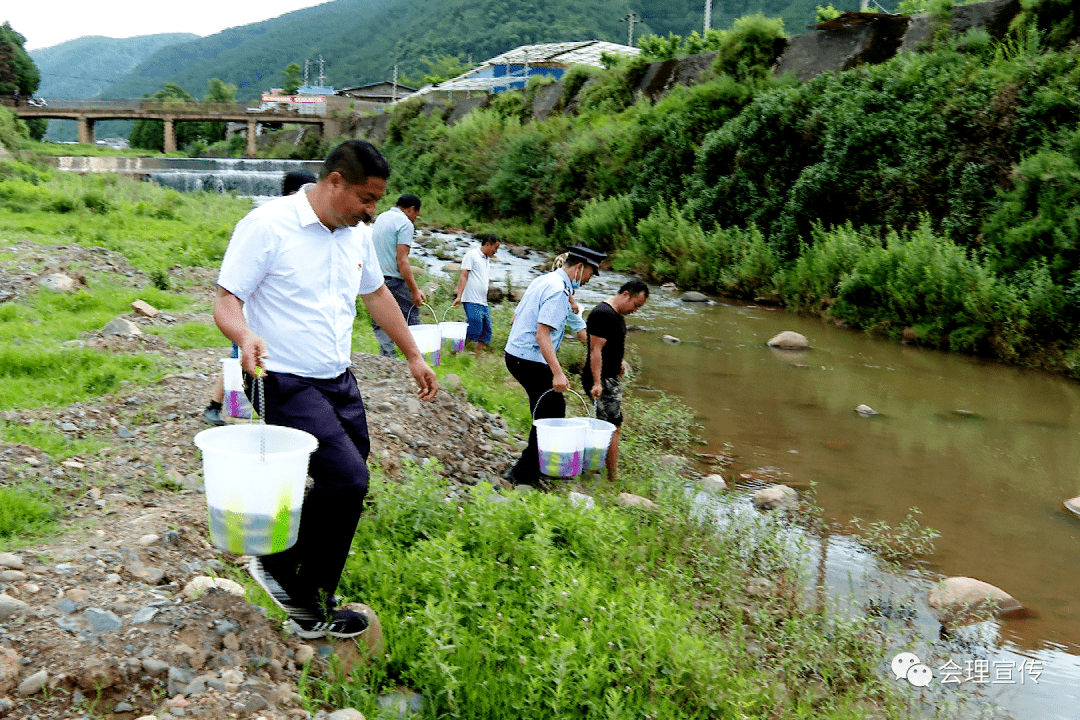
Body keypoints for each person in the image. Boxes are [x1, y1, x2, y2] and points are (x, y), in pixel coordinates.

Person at [212, 140, 438, 639]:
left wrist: (414, 354)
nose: (371, 210)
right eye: (366, 197)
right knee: (347, 480)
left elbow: (376, 294)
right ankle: (279, 569)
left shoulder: (355, 235)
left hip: (337, 377)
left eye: (377, 200)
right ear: (335, 181)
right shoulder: (268, 225)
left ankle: (314, 591)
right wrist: (244, 335)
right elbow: (227, 301)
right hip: (282, 376)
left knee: (351, 480)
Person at [202, 170, 317, 426]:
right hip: (249, 315)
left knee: (248, 362)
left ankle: (235, 411)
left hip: (272, 320)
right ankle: (227, 411)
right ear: (294, 194)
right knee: (242, 362)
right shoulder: (267, 223)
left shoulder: (301, 228)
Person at [503, 245, 606, 486]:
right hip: (528, 358)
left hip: (516, 354)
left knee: (547, 411)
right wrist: (558, 374)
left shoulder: (548, 281)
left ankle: (535, 468)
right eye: (591, 273)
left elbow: (580, 330)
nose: (590, 280)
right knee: (551, 413)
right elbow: (542, 335)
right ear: (579, 268)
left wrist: (601, 351)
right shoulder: (558, 292)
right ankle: (523, 474)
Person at [582, 280, 649, 481]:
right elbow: (595, 350)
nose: (635, 311)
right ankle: (612, 477)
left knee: (608, 425)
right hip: (601, 379)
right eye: (636, 305)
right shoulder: (603, 314)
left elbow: (611, 344)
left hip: (609, 377)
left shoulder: (616, 314)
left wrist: (618, 362)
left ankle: (596, 469)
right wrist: (596, 382)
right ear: (626, 294)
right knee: (612, 427)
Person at [371, 193, 424, 357]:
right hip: (395, 281)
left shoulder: (381, 217)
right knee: (411, 318)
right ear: (411, 209)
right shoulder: (405, 223)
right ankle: (420, 358)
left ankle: (387, 359)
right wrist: (415, 291)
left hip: (376, 279)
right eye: (416, 214)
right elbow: (402, 261)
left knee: (381, 320)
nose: (416, 217)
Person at [451, 233, 500, 352]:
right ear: (488, 244)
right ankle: (455, 350)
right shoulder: (472, 255)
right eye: (495, 248)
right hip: (471, 299)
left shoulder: (486, 259)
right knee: (475, 328)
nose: (496, 251)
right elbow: (463, 276)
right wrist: (459, 296)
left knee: (486, 331)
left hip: (483, 302)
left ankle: (478, 361)